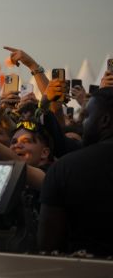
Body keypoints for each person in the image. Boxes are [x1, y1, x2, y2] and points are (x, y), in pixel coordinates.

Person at [38, 87, 113, 257]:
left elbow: (47, 247)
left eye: (86, 116)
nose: (81, 122)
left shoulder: (64, 169)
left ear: (105, 120)